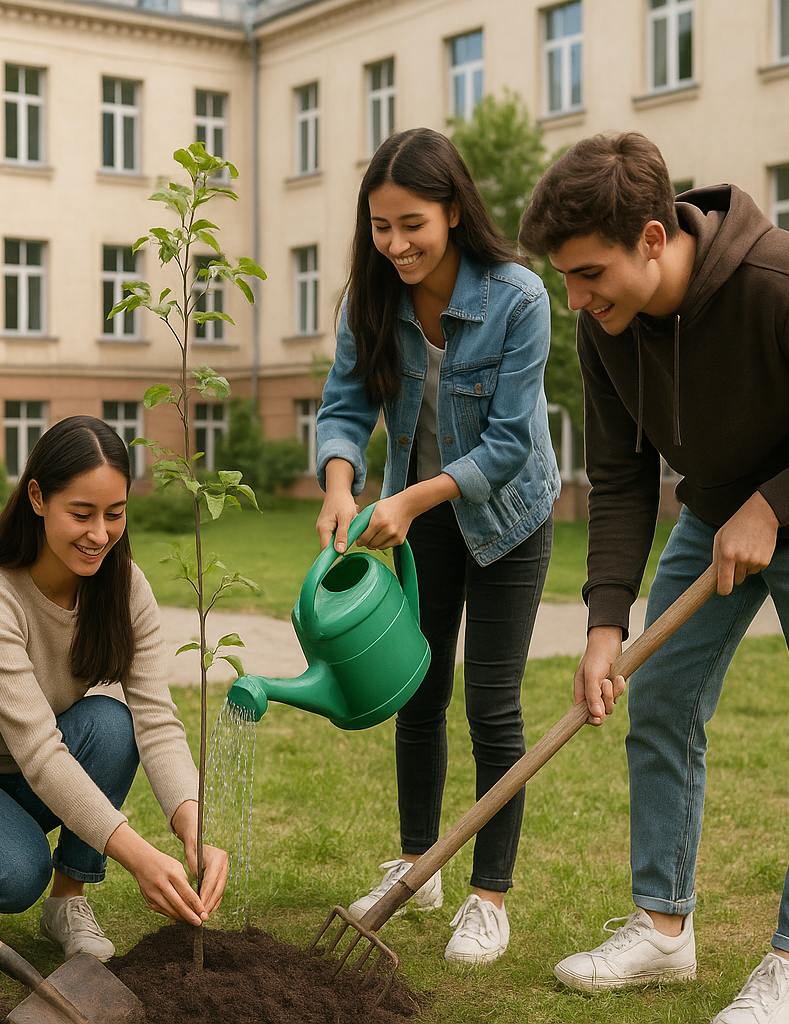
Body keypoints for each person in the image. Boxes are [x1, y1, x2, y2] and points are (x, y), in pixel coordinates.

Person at [518, 133, 789, 1023]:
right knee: (658, 701)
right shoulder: (608, 328)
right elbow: (620, 476)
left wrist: (778, 503)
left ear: (654, 239)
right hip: (716, 516)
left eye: (589, 274)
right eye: (567, 281)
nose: (577, 300)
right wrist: (604, 627)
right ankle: (663, 929)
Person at [313, 127, 560, 966]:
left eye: (412, 223)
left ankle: (490, 895)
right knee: (419, 694)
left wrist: (408, 497)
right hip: (422, 522)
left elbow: (506, 447)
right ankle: (417, 864)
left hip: (506, 516)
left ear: (454, 210)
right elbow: (344, 404)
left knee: (492, 705)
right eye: (381, 227)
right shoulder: (370, 300)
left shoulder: (520, 298)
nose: (396, 244)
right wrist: (342, 487)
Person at [0, 415, 227, 962]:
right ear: (37, 498)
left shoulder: (125, 585)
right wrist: (139, 856)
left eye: (115, 514)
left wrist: (193, 824)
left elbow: (156, 718)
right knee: (16, 878)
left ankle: (67, 902)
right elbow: (40, 752)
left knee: (114, 725)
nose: (100, 535)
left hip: (34, 770)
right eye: (81, 514)